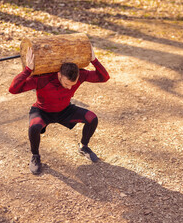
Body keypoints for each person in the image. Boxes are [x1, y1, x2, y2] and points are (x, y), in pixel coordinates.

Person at [9, 46, 110, 174]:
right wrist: (28, 70)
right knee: (34, 127)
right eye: (66, 84)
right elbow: (13, 89)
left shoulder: (80, 75)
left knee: (92, 118)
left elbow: (104, 77)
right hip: (42, 111)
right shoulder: (43, 79)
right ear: (59, 75)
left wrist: (94, 60)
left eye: (72, 85)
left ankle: (83, 147)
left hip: (64, 110)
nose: (69, 88)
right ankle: (35, 156)